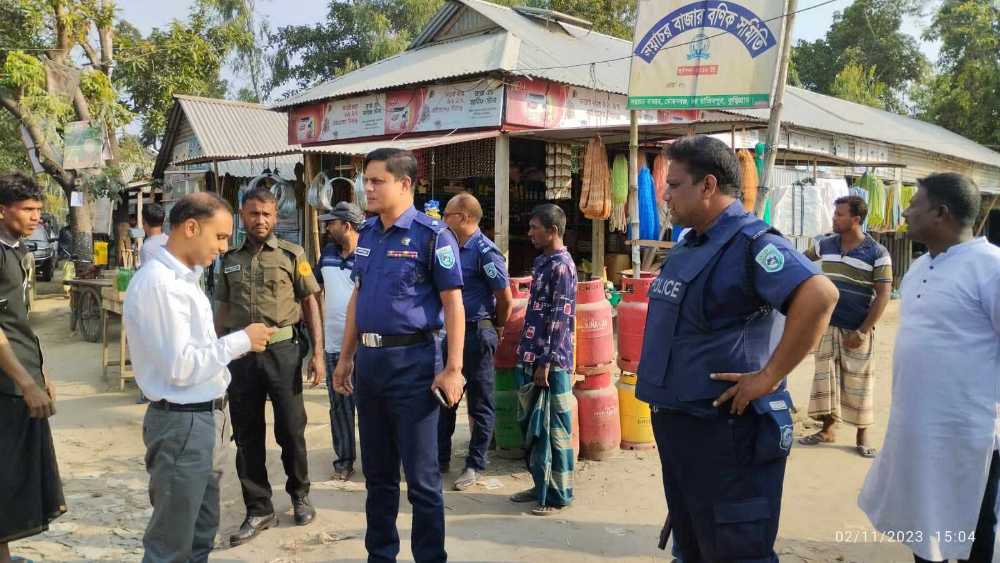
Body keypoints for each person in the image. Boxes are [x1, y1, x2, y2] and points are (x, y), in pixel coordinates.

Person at [636, 135, 838, 562]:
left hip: (725, 433)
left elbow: (819, 295)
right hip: (683, 430)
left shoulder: (751, 244)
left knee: (735, 551)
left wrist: (768, 377)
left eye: (674, 185)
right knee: (692, 545)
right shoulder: (693, 241)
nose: (665, 195)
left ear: (708, 186)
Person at [331, 148, 465, 563]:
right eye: (365, 181)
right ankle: (381, 555)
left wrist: (453, 368)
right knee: (378, 477)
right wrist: (346, 357)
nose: (367, 189)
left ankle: (429, 557)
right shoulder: (368, 233)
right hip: (370, 368)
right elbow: (359, 297)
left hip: (414, 367)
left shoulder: (433, 236)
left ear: (404, 184)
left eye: (376, 181)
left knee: (423, 481)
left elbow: (453, 303)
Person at [124, 192, 274, 562]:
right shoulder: (161, 284)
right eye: (219, 237)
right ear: (191, 228)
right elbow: (180, 367)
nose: (224, 247)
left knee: (200, 534)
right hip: (182, 423)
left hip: (206, 419)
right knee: (172, 544)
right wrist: (241, 340)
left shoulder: (185, 278)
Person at [859, 173, 1000, 563]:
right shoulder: (921, 266)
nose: (904, 211)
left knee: (973, 523)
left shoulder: (991, 268)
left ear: (940, 213)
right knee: (925, 519)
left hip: (970, 431)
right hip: (918, 425)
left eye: (914, 204)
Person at [214, 187, 324, 543]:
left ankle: (299, 495)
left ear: (276, 217)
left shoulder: (293, 254)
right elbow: (222, 309)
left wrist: (318, 353)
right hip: (241, 356)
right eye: (252, 214)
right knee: (247, 434)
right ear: (241, 217)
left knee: (291, 429)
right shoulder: (228, 258)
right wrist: (215, 356)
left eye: (266, 214)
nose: (259, 220)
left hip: (283, 354)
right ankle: (258, 508)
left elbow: (310, 303)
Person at [0, 173, 65, 561]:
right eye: (27, 209)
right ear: (2, 210)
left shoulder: (14, 250)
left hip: (19, 375)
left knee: (13, 472)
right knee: (6, 472)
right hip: (6, 384)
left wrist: (41, 374)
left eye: (38, 210)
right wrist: (25, 382)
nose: (36, 216)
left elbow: (18, 322)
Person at [799, 195, 892, 457]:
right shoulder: (824, 244)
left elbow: (883, 295)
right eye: (834, 213)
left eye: (839, 214)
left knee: (859, 382)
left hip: (857, 328)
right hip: (826, 325)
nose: (834, 218)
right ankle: (827, 429)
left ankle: (863, 435)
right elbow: (798, 264)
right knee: (824, 380)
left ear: (856, 219)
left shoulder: (877, 253)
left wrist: (863, 331)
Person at [438, 192, 513, 490]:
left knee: (480, 402)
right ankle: (440, 457)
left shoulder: (485, 251)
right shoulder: (450, 246)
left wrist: (497, 326)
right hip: (450, 334)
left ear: (465, 217)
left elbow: (504, 297)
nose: (444, 219)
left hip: (477, 332)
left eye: (449, 214)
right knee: (445, 397)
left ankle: (475, 463)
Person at [508, 203, 577, 517]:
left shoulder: (562, 267)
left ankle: (558, 494)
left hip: (549, 362)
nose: (530, 232)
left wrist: (545, 362)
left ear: (553, 231)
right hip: (529, 355)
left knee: (553, 430)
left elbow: (559, 319)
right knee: (532, 429)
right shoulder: (541, 262)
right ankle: (539, 485)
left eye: (536, 228)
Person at [317, 202, 365, 482]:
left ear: (346, 225)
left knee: (370, 408)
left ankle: (375, 461)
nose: (326, 227)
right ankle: (344, 461)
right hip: (334, 345)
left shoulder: (368, 256)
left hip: (365, 347)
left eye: (331, 223)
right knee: (340, 407)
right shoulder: (328, 254)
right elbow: (317, 288)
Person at [139, 203, 168, 268]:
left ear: (143, 221)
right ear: (163, 221)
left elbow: (148, 275)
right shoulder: (170, 241)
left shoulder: (147, 248)